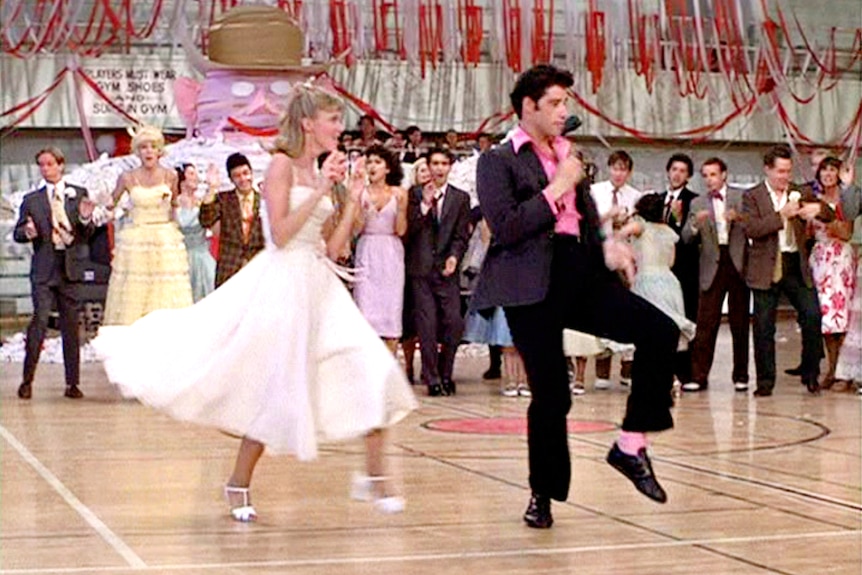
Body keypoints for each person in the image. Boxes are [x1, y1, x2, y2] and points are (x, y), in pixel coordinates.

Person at [92, 85, 418, 521]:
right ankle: (238, 482)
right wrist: (322, 188)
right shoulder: (282, 165)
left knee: (371, 366)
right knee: (275, 392)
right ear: (309, 123)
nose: (340, 128)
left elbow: (335, 248)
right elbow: (281, 235)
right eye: (333, 119)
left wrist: (350, 201)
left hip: (320, 283)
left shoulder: (324, 171)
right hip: (283, 282)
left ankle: (374, 478)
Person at [472, 64, 679, 529]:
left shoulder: (569, 154)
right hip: (529, 284)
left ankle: (629, 445)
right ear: (529, 107)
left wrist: (608, 246)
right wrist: (561, 184)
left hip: (579, 272)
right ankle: (541, 493)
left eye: (567, 102)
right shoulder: (498, 161)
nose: (564, 111)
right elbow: (505, 228)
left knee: (660, 331)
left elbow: (583, 220)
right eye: (555, 103)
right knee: (553, 396)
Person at [742, 145, 832, 396]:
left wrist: (817, 210)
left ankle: (811, 373)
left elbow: (827, 212)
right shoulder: (753, 196)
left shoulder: (800, 191)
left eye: (788, 171)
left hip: (795, 265)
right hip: (765, 267)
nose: (784, 176)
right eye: (780, 171)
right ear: (768, 170)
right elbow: (752, 229)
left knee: (812, 315)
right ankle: (765, 382)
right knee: (763, 327)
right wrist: (781, 215)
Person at [13, 147, 95, 400]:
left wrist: (84, 219)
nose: (45, 169)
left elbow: (88, 233)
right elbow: (17, 233)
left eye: (49, 164)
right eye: (41, 165)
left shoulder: (77, 194)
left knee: (71, 326)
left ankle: (73, 383)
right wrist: (27, 233)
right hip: (44, 269)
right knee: (39, 321)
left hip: (70, 268)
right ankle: (27, 379)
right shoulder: (32, 200)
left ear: (61, 165)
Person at [103, 126, 193, 325]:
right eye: (144, 147)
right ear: (137, 151)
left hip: (164, 238)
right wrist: (101, 202)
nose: (149, 151)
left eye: (153, 147)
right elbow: (112, 203)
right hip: (137, 238)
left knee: (165, 289)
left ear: (160, 150)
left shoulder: (171, 176)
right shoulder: (127, 177)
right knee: (135, 290)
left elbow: (175, 206)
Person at [404, 147, 472, 396]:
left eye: (444, 163)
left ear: (450, 166)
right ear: (429, 166)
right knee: (427, 325)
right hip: (420, 269)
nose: (439, 168)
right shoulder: (413, 194)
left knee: (454, 322)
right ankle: (432, 378)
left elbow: (461, 235)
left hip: (447, 270)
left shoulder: (460, 198)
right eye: (435, 163)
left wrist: (455, 256)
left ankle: (446, 372)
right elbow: (408, 229)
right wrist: (424, 204)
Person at [680, 157, 750, 392]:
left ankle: (741, 375)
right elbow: (686, 238)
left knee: (740, 322)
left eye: (713, 174)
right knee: (706, 323)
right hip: (711, 262)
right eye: (705, 175)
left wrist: (739, 218)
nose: (709, 180)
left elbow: (755, 225)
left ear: (724, 175)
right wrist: (694, 226)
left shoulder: (741, 197)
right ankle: (699, 376)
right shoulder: (698, 202)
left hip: (737, 261)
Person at [619, 194, 697, 347]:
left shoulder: (640, 226)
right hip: (670, 282)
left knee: (646, 329)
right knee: (667, 331)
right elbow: (671, 261)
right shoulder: (668, 231)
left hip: (647, 280)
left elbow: (617, 235)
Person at [353, 144, 408, 353]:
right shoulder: (361, 193)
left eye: (377, 162)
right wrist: (360, 208)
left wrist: (401, 208)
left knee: (391, 311)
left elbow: (401, 230)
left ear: (388, 168)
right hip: (367, 248)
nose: (372, 166)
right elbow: (356, 229)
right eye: (369, 162)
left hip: (390, 251)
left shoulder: (399, 193)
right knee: (365, 309)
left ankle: (390, 369)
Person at [808, 157, 856, 389]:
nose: (827, 173)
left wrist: (825, 215)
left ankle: (845, 372)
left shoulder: (847, 199)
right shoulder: (812, 199)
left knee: (841, 317)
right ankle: (833, 367)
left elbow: (846, 232)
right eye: (823, 169)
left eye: (832, 169)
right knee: (825, 319)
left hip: (840, 259)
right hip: (819, 260)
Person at [199, 153, 266, 288]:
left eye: (245, 173)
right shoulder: (223, 199)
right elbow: (205, 221)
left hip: (259, 269)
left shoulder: (264, 199)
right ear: (231, 179)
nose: (243, 179)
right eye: (237, 176)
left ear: (252, 173)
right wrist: (211, 189)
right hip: (229, 268)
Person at [175, 163, 216, 302]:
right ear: (182, 179)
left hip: (202, 257)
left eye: (197, 173)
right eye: (192, 173)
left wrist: (212, 188)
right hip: (180, 259)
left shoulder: (202, 202)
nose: (196, 177)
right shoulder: (174, 204)